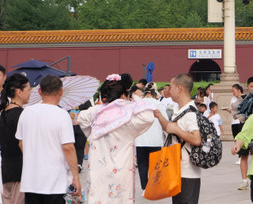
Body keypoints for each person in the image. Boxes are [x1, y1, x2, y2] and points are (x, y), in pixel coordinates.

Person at [78, 74, 157, 203]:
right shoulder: (127, 116)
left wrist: (92, 133)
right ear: (124, 94)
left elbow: (82, 118)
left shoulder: (96, 113)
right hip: (121, 171)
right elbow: (148, 117)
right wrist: (135, 98)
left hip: (98, 172)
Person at [16, 75, 81, 203]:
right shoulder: (62, 115)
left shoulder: (26, 112)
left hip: (31, 179)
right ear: (61, 92)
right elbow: (68, 147)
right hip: (54, 180)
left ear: (40, 91)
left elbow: (21, 144)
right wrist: (76, 177)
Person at [154, 73, 203, 204]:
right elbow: (169, 128)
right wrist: (158, 116)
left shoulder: (190, 112)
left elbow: (196, 139)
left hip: (188, 172)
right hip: (178, 170)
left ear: (179, 89)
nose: (169, 90)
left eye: (171, 87)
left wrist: (176, 129)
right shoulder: (179, 109)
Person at [0, 74, 30, 204]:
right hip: (20, 169)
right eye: (28, 90)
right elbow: (22, 144)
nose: (30, 93)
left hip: (6, 169)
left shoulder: (3, 113)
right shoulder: (21, 115)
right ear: (18, 92)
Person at [134, 82, 168, 192]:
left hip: (140, 140)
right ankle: (153, 187)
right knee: (155, 166)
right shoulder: (159, 104)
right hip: (155, 140)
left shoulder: (139, 104)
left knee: (142, 165)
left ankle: (144, 188)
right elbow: (165, 121)